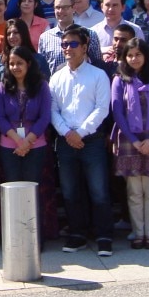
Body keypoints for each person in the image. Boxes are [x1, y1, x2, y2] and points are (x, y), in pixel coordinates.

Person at [50, 26, 114, 256]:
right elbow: (53, 110)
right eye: (64, 45)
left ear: (85, 47)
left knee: (98, 190)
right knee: (70, 191)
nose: (68, 48)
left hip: (92, 140)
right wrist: (67, 133)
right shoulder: (57, 77)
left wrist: (82, 132)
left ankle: (104, 235)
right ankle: (77, 234)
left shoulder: (98, 75)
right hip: (66, 141)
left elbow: (102, 109)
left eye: (73, 44)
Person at [111, 38, 149, 249]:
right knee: (135, 191)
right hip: (130, 140)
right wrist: (135, 141)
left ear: (146, 55)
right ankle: (138, 234)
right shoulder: (120, 79)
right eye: (129, 55)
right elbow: (117, 112)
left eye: (138, 54)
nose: (134, 59)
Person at [0, 46, 52, 236]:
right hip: (9, 145)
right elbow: (0, 117)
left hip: (35, 145)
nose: (15, 67)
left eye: (19, 63)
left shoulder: (41, 85)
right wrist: (17, 141)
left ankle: (33, 236)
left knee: (31, 191)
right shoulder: (3, 85)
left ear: (28, 63)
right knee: (14, 191)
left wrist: (28, 140)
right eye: (11, 63)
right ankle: (15, 235)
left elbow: (45, 116)